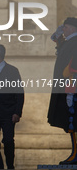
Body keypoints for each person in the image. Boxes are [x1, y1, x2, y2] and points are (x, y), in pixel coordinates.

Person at [48, 17, 77, 165]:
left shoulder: (75, 42)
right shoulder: (69, 42)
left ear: (73, 28)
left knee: (74, 121)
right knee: (71, 121)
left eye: (65, 27)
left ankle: (76, 154)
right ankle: (75, 153)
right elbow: (58, 43)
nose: (63, 30)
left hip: (72, 88)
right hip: (66, 87)